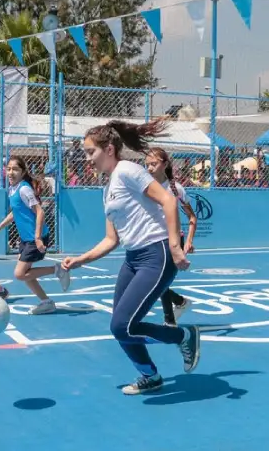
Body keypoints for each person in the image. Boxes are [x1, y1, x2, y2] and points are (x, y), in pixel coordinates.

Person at [61, 119, 200, 396]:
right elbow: (111, 239)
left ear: (109, 149)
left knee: (121, 326)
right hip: (133, 258)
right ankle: (150, 375)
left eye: (91, 152)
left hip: (156, 254)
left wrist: (175, 245)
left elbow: (169, 200)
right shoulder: (107, 189)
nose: (87, 159)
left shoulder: (127, 170)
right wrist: (80, 260)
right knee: (122, 326)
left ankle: (184, 336)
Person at [0, 157, 70, 315]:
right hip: (26, 239)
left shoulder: (24, 189)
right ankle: (46, 302)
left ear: (23, 172)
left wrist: (38, 237)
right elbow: (15, 212)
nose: (11, 172)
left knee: (19, 274)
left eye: (15, 169)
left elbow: (40, 212)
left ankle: (58, 270)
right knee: (26, 275)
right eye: (9, 169)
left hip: (35, 238)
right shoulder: (12, 189)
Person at [145, 147, 196, 327]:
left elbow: (192, 217)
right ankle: (180, 302)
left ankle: (170, 321)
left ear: (164, 164)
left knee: (158, 280)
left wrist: (189, 241)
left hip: (172, 241)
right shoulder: (144, 187)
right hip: (151, 240)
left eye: (154, 164)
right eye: (147, 164)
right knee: (153, 281)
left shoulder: (175, 189)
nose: (150, 168)